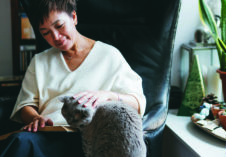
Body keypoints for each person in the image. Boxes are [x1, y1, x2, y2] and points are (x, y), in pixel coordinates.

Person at [0, 0, 146, 156]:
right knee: (20, 141)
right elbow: (25, 105)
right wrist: (35, 118)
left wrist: (108, 96)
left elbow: (137, 103)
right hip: (47, 134)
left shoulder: (109, 56)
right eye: (45, 32)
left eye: (59, 26)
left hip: (90, 137)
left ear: (74, 17)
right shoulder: (39, 62)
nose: (55, 37)